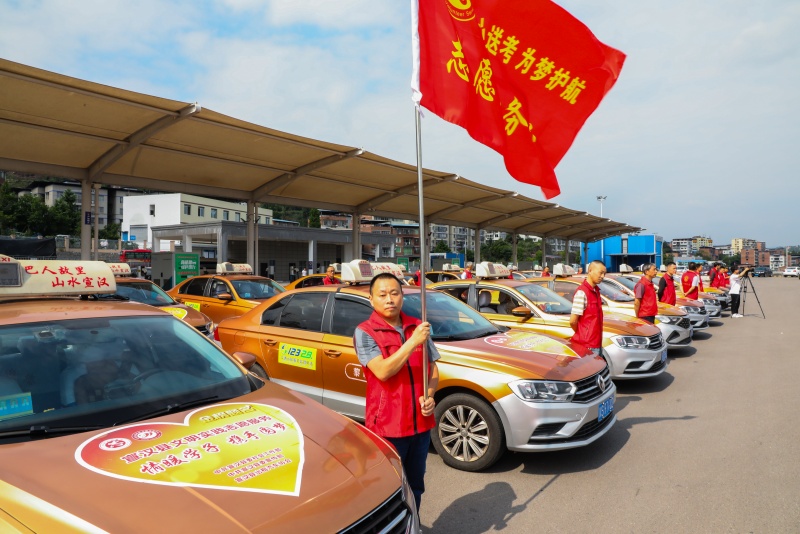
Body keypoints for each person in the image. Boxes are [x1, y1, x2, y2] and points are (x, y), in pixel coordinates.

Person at [354, 273, 439, 512]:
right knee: (390, 489)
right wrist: (412, 342)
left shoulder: (418, 326)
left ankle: (413, 525)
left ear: (402, 296)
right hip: (388, 428)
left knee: (416, 486)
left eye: (394, 293)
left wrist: (430, 395)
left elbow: (433, 370)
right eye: (382, 295)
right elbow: (382, 371)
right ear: (371, 299)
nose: (389, 299)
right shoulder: (365, 332)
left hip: (420, 425)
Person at [569, 260, 606, 355]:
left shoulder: (596, 291)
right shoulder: (582, 292)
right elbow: (573, 321)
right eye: (600, 273)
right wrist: (583, 334)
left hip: (596, 343)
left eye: (604, 274)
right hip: (587, 345)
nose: (602, 276)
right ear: (590, 271)